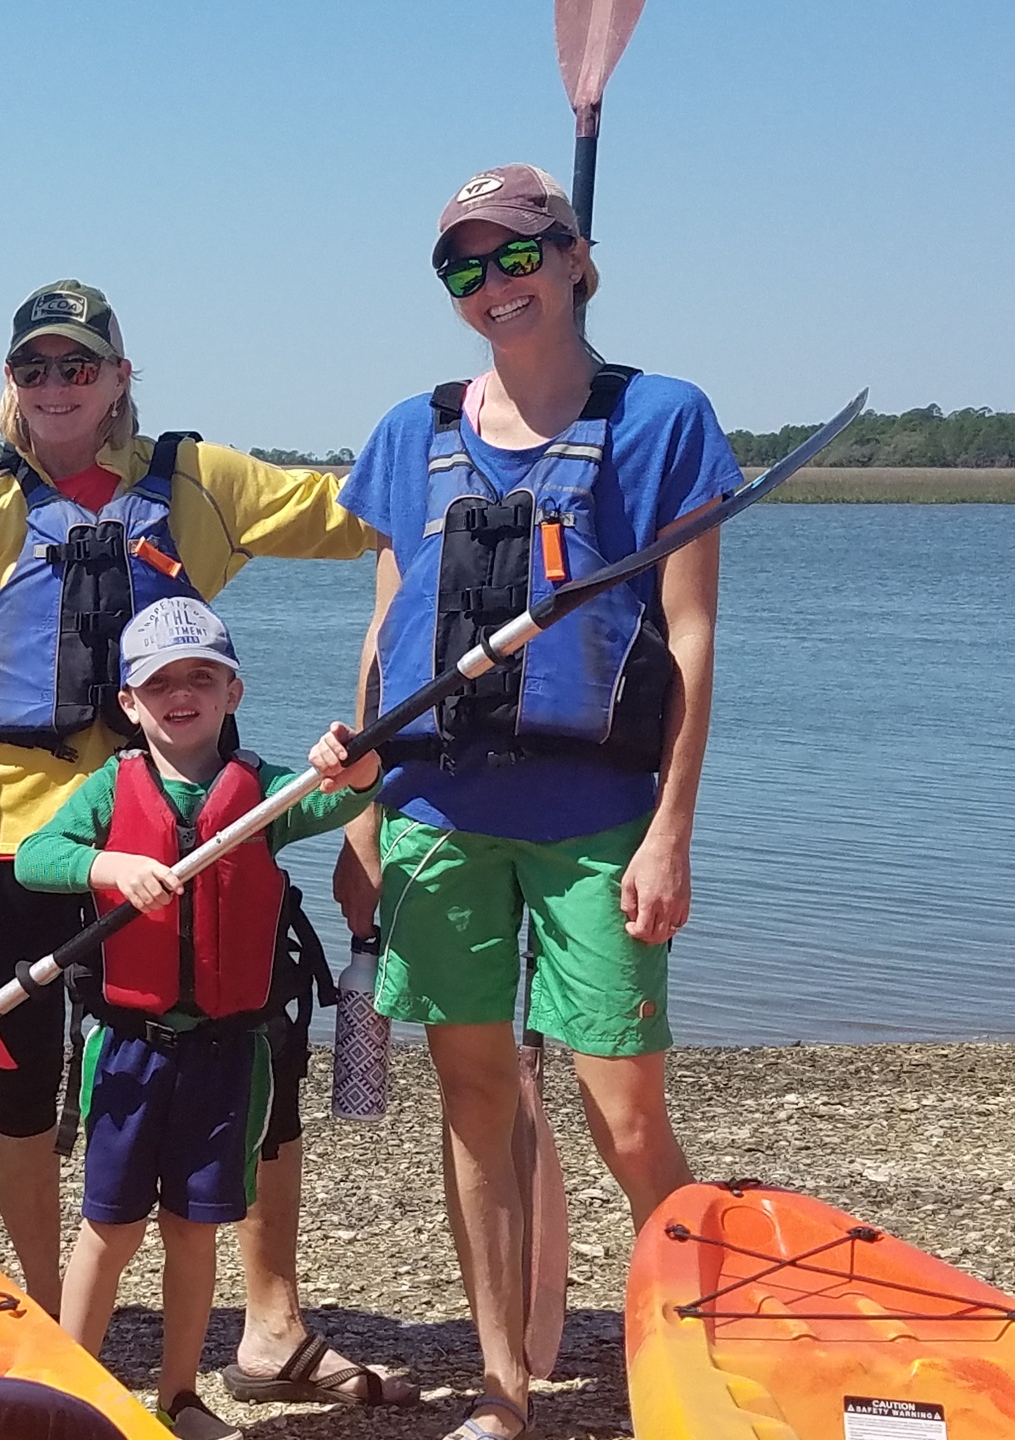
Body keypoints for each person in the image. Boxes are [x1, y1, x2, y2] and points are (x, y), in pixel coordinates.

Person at [0, 279, 407, 1405]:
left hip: (196, 830)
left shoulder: (196, 486)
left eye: (78, 366)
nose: (55, 388)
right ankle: (46, 1307)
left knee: (250, 1050)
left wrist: (460, 448)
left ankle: (269, 1323)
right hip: (18, 839)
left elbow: (358, 512)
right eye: (34, 368)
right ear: (10, 385)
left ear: (121, 377)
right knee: (23, 1072)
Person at [332, 164, 740, 1440]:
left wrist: (671, 828)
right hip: (437, 809)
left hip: (595, 814)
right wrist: (358, 815)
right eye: (463, 269)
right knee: (474, 1099)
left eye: (515, 257)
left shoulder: (663, 418)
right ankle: (504, 1392)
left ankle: (712, 1362)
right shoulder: (414, 430)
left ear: (574, 257)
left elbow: (690, 637)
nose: (491, 287)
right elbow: (390, 619)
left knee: (624, 1111)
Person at [17, 599, 379, 1440]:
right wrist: (107, 864)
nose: (182, 695)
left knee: (192, 1230)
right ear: (130, 703)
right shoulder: (111, 788)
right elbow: (37, 858)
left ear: (232, 691)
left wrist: (352, 768)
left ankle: (178, 1397)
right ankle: (67, 1398)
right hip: (129, 1054)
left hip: (228, 1056)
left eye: (201, 679)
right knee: (108, 1230)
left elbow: (343, 801)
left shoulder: (262, 795)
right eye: (161, 683)